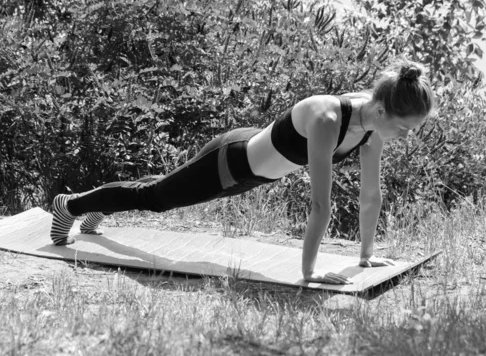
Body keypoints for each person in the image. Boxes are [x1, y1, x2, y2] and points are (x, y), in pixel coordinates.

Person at [50, 59, 435, 285]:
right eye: (404, 128)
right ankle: (70, 204)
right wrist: (310, 272)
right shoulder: (328, 117)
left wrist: (366, 255)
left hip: (252, 170)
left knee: (160, 188)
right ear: (384, 109)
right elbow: (321, 204)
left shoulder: (372, 126)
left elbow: (372, 195)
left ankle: (100, 207)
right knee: (156, 199)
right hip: (230, 164)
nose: (404, 137)